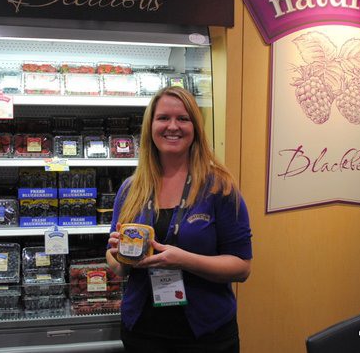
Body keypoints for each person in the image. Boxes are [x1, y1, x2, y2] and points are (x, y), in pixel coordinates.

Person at [106, 86, 252, 353]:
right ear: (150, 126)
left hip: (207, 335)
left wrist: (183, 260)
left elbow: (241, 267)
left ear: (195, 127)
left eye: (183, 119)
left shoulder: (220, 187)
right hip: (142, 332)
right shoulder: (131, 189)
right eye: (163, 118)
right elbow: (114, 260)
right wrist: (119, 257)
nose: (172, 126)